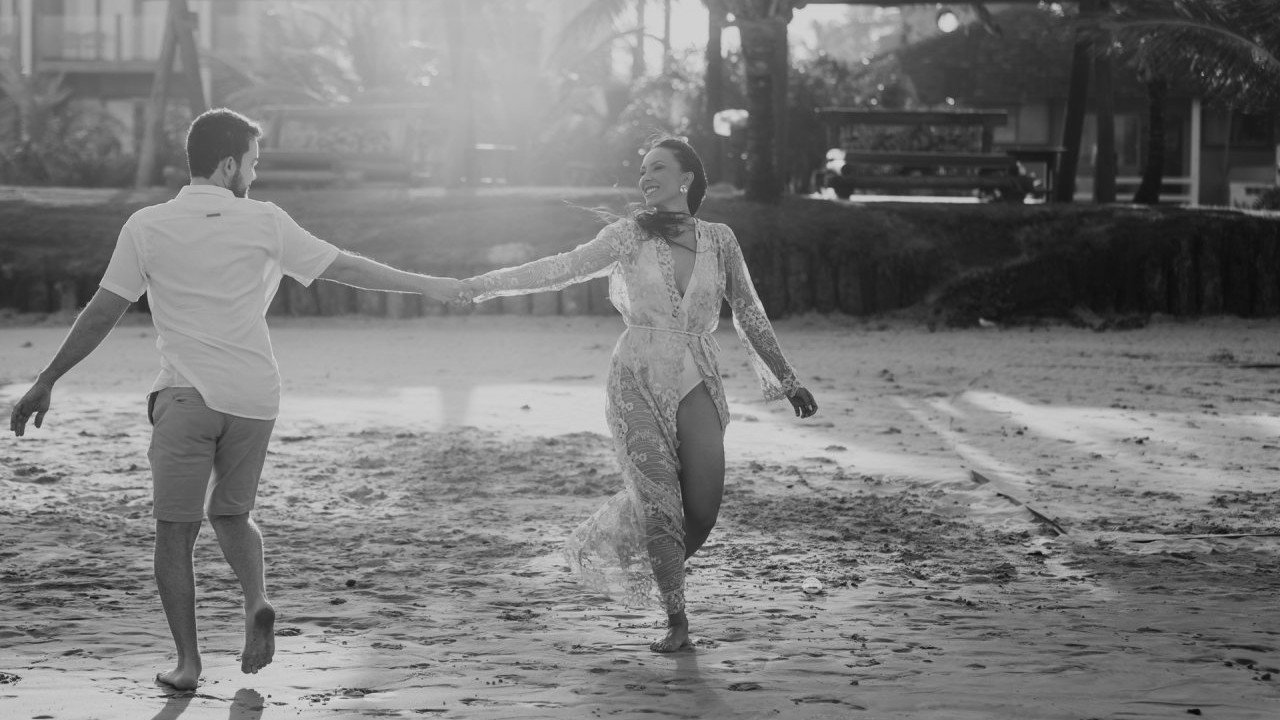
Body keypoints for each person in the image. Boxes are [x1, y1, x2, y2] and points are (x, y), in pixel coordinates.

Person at [7, 108, 468, 690]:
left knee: (175, 534)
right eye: (252, 162)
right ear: (228, 165)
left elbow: (104, 311)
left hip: (186, 398)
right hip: (254, 398)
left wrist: (48, 378)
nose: (254, 173)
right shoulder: (267, 221)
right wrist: (429, 285)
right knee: (232, 514)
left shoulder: (146, 225)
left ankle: (188, 664)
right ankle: (256, 600)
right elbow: (347, 268)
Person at [462, 136, 818, 652]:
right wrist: (480, 286)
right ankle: (677, 620)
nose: (645, 178)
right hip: (636, 375)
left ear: (686, 178)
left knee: (702, 510)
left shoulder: (720, 239)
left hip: (698, 374)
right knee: (659, 504)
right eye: (642, 170)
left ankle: (630, 557)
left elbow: (748, 310)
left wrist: (786, 378)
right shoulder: (627, 235)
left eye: (657, 168)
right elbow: (559, 268)